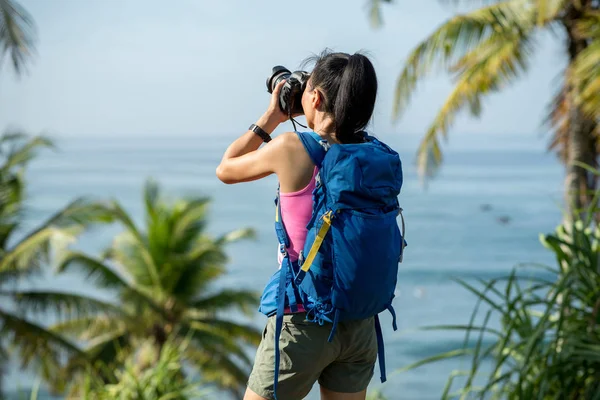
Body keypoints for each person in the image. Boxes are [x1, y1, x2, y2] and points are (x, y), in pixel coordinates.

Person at [216, 50, 383, 400]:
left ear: (316, 97)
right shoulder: (374, 154)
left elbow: (226, 168)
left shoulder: (292, 147)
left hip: (304, 319)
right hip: (359, 321)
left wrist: (273, 116)